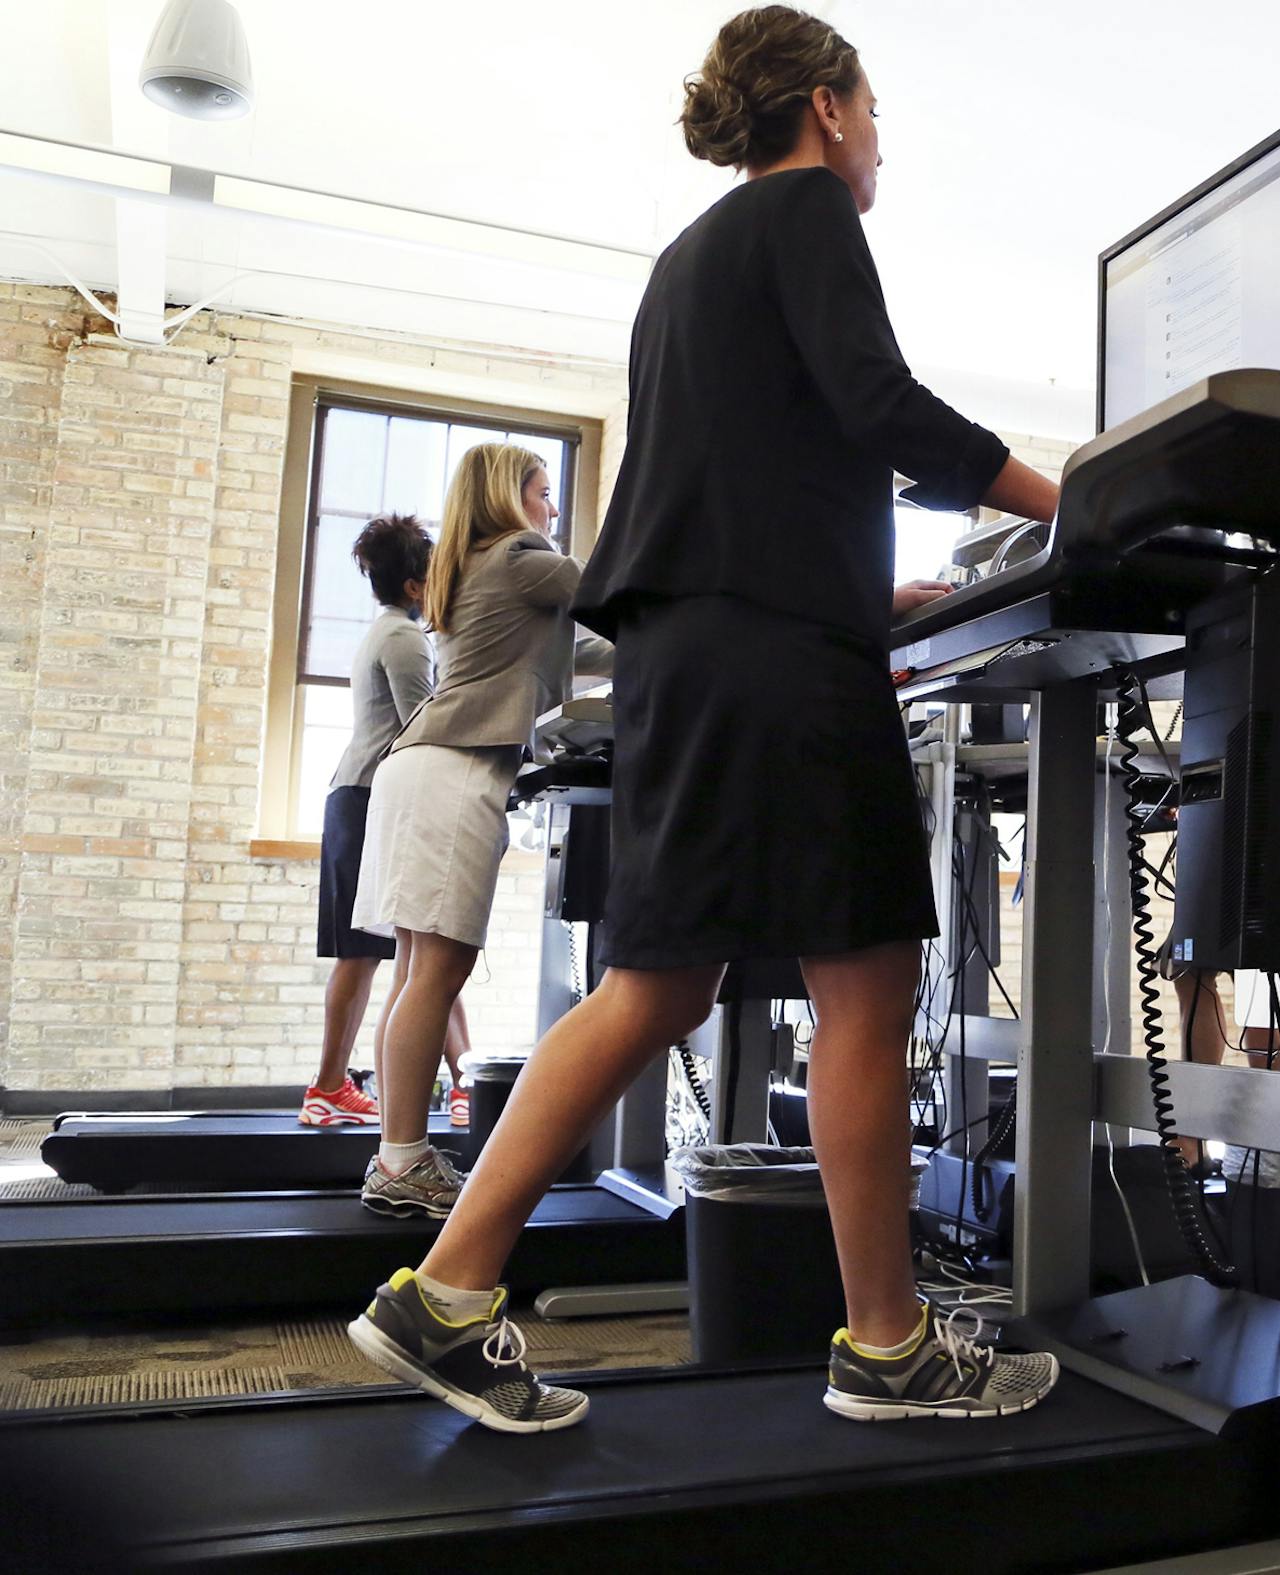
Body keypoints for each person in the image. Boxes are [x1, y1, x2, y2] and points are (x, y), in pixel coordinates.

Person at [347, 5, 1065, 1432]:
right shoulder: (807, 210)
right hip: (777, 659)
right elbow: (878, 401)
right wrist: (1069, 498)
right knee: (866, 985)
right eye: (873, 111)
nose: (879, 141)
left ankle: (445, 1291)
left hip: (690, 654)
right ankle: (890, 1345)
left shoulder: (690, 256)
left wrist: (861, 577)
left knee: (656, 983)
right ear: (826, 107)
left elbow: (759, 450)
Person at [347, 443, 579, 1220]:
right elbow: (616, 589)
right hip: (452, 770)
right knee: (435, 974)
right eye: (543, 491)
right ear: (509, 495)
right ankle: (402, 1160)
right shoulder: (520, 554)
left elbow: (586, 641)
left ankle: (398, 1155)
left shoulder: (479, 565)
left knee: (418, 974)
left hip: (421, 767)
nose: (552, 507)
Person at [308, 515, 474, 1129]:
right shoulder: (405, 639)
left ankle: (462, 1081)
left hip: (358, 794)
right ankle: (330, 1087)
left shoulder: (386, 630)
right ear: (414, 586)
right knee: (382, 953)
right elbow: (422, 726)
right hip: (366, 798)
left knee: (416, 949)